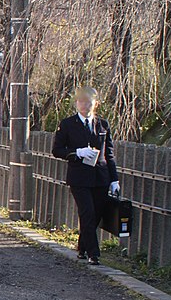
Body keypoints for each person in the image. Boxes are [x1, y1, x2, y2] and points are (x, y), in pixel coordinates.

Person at [51, 85, 120, 265]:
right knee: (87, 212)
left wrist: (114, 180)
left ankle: (82, 248)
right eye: (81, 102)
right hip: (79, 177)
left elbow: (109, 154)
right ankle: (93, 254)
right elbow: (57, 150)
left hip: (100, 177)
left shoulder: (102, 124)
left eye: (89, 102)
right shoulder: (67, 124)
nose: (85, 105)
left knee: (95, 215)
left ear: (95, 104)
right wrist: (77, 152)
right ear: (76, 103)